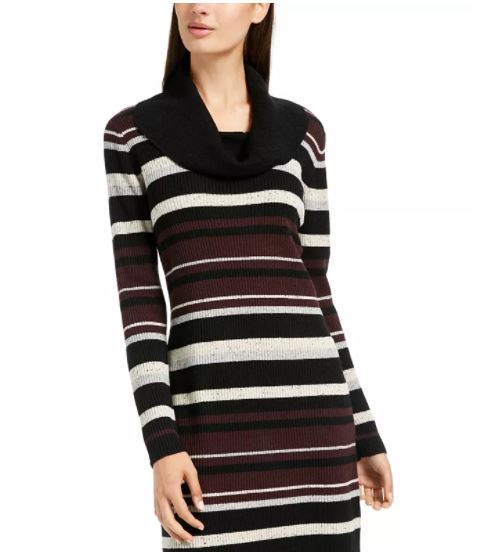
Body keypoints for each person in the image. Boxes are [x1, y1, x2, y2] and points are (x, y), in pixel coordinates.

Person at [103, 3, 394, 549]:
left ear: (261, 6)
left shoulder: (304, 135)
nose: (199, 5)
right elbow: (139, 305)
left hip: (317, 438)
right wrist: (161, 445)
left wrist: (364, 430)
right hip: (209, 437)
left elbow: (318, 294)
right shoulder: (131, 136)